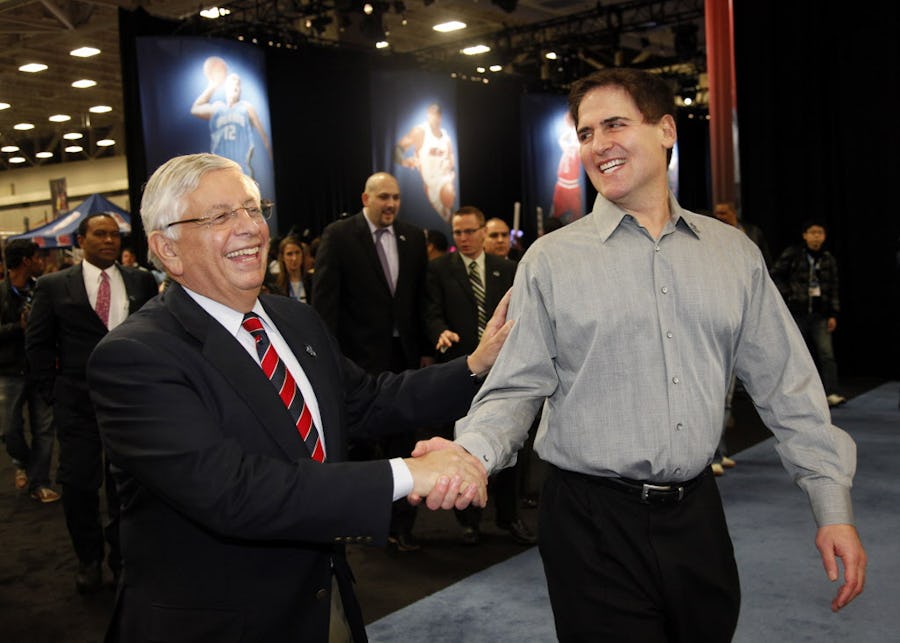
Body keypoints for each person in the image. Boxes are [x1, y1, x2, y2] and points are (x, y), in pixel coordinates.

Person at [414, 68, 866, 642]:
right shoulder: (551, 261)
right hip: (590, 525)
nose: (597, 145)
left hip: (698, 517)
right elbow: (514, 389)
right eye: (585, 133)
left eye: (615, 125)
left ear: (666, 131)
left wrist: (832, 507)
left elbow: (788, 386)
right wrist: (472, 455)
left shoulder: (734, 256)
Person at [85, 153, 511, 642]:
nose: (250, 228)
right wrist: (409, 473)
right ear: (168, 249)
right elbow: (234, 492)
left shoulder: (295, 319)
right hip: (218, 625)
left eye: (253, 209)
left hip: (323, 602)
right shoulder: (135, 356)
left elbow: (368, 401)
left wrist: (476, 364)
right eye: (220, 216)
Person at [25, 213, 158, 594]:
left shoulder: (141, 280)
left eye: (115, 234)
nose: (110, 240)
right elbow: (38, 344)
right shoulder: (53, 286)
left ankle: (122, 559)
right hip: (76, 407)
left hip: (130, 403)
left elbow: (156, 335)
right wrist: (53, 394)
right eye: (100, 233)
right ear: (81, 240)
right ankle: (89, 559)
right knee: (80, 485)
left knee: (126, 486)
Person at [313, 172, 432, 552]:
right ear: (366, 198)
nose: (391, 204)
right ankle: (362, 525)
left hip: (404, 358)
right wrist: (327, 358)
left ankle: (401, 527)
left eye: (395, 197)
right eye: (383, 197)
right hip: (357, 361)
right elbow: (325, 304)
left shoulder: (413, 237)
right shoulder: (339, 236)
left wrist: (426, 348)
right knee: (362, 447)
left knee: (405, 442)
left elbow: (421, 299)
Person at [424, 206, 534, 546]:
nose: (464, 238)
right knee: (465, 442)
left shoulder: (508, 269)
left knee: (510, 442)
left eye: (470, 231)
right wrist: (440, 332)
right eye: (458, 232)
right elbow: (431, 312)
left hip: (505, 369)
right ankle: (468, 520)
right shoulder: (439, 269)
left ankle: (509, 516)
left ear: (483, 232)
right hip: (463, 370)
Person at [0, 239, 58, 502]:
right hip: (9, 371)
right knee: (10, 429)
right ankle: (22, 462)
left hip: (40, 369)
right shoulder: (2, 292)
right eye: (37, 258)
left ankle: (40, 482)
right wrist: (18, 327)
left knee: (44, 429)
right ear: (26, 261)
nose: (41, 262)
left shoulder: (42, 289)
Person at [771, 220, 846, 407]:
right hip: (797, 313)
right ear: (805, 235)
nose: (816, 237)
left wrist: (833, 314)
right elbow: (774, 274)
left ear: (824, 236)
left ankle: (832, 392)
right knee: (795, 354)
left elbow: (834, 288)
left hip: (820, 315)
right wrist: (789, 293)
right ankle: (794, 394)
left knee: (826, 354)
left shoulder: (828, 259)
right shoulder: (794, 254)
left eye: (820, 233)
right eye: (812, 232)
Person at [191, 67, 272, 180]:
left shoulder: (246, 107)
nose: (235, 86)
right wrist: (213, 85)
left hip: (242, 170)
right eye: (232, 82)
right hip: (219, 169)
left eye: (238, 83)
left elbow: (266, 139)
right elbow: (195, 109)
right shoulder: (217, 108)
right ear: (226, 87)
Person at [394, 103, 456, 223]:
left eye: (437, 114)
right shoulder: (420, 132)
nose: (434, 117)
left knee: (449, 197)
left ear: (440, 117)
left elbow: (451, 157)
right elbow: (398, 149)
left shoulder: (446, 137)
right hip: (429, 183)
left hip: (444, 179)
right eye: (431, 114)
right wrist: (404, 161)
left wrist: (452, 174)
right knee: (444, 219)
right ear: (428, 115)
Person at [713, 201, 772, 267]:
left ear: (734, 212)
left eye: (722, 213)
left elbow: (765, 259)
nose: (718, 217)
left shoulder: (754, 231)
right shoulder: (715, 234)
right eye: (716, 214)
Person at [549, 111, 583, 224]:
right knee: (554, 219)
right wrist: (571, 128)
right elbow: (562, 139)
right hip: (561, 186)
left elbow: (577, 142)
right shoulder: (567, 148)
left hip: (572, 188)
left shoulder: (579, 150)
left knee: (578, 218)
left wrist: (575, 126)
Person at [272, 235, 312, 303]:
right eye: (289, 254)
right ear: (282, 257)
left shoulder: (312, 281)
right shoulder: (276, 284)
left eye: (297, 252)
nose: (294, 258)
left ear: (302, 254)